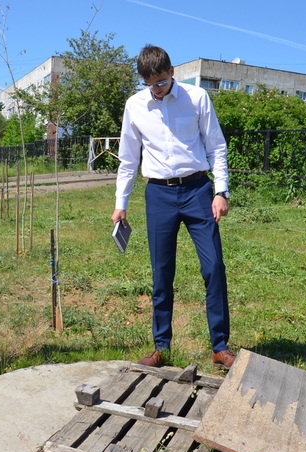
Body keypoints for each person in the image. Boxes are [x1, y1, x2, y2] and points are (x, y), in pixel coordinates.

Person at [111, 45, 237, 370]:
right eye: (150, 84)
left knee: (214, 268)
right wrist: (120, 204)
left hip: (197, 190)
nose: (156, 89)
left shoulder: (197, 99)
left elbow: (217, 146)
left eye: (162, 82)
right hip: (159, 195)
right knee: (162, 272)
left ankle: (220, 347)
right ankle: (161, 347)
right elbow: (128, 159)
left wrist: (221, 191)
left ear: (172, 72)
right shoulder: (135, 107)